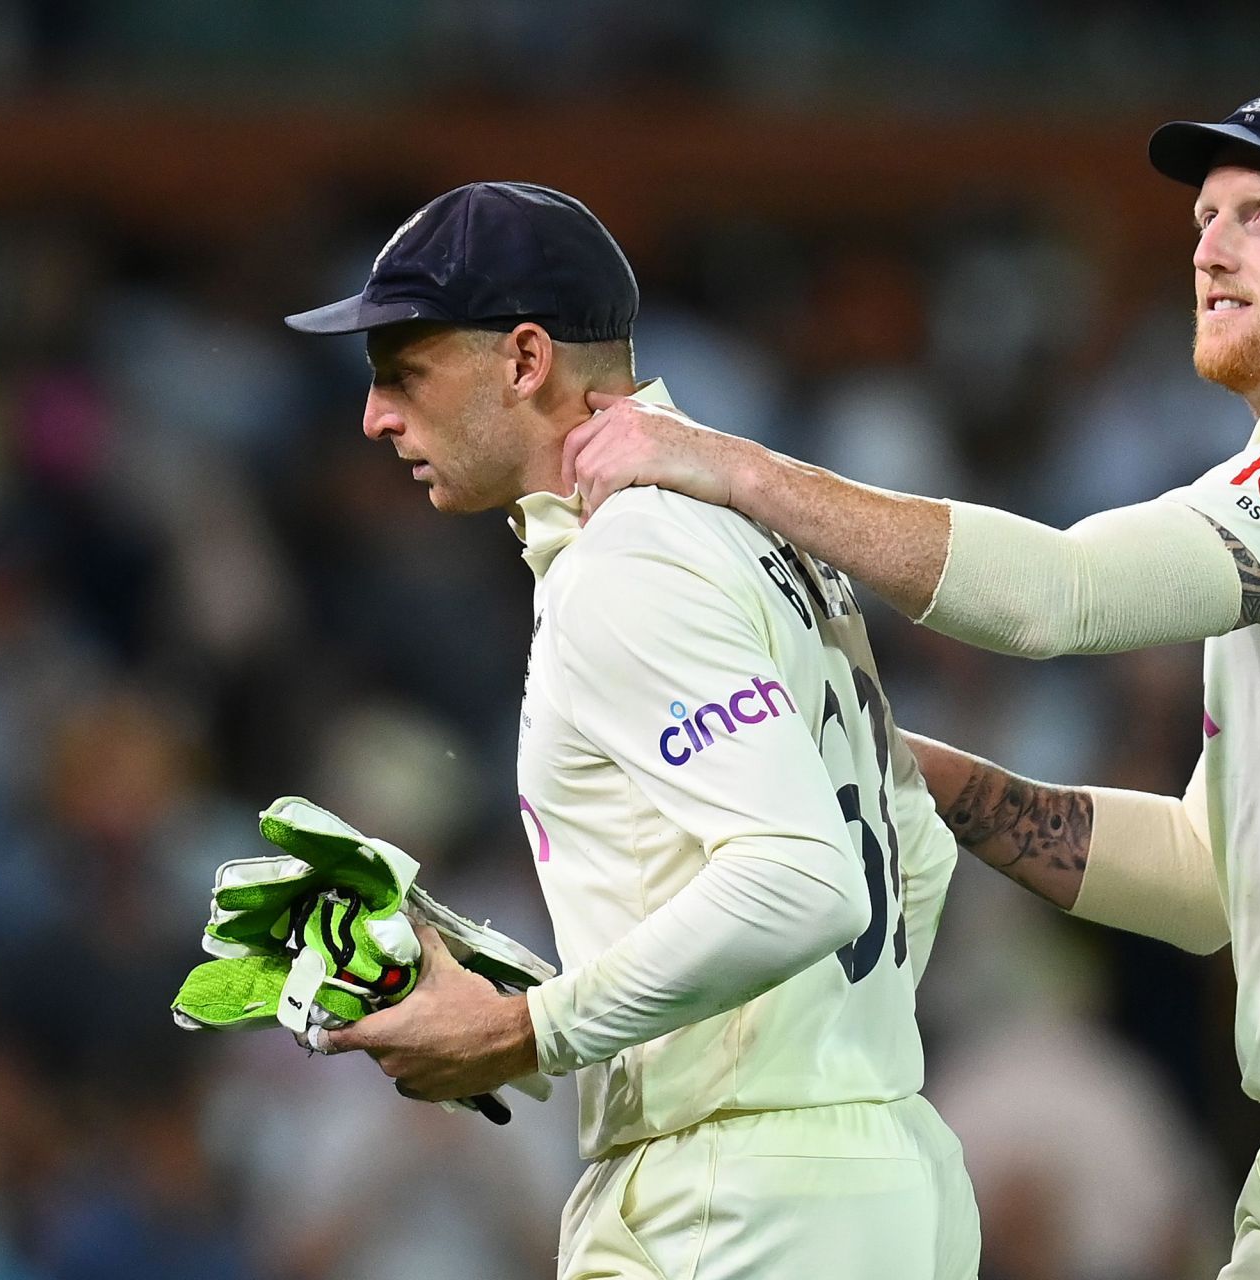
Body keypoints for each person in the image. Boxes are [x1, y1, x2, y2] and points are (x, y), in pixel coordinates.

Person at [559, 84, 1260, 1278]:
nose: (1214, 248)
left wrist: (729, 466)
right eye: (1208, 218)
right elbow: (1206, 878)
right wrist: (929, 776)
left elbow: (1057, 597)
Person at [282, 181, 979, 1280]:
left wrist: (530, 1029)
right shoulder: (752, 528)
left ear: (523, 360)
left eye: (402, 370)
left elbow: (804, 880)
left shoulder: (631, 556)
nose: (374, 414)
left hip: (739, 1199)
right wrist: (824, 1055)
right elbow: (912, 844)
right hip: (869, 1166)